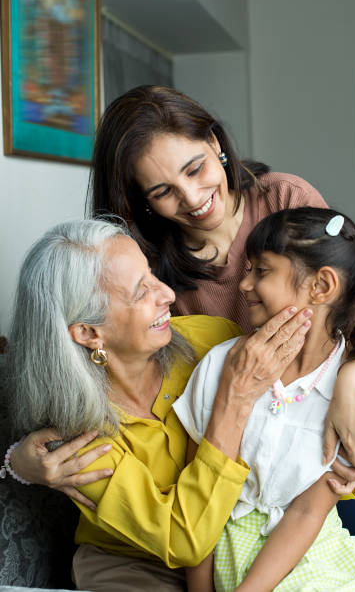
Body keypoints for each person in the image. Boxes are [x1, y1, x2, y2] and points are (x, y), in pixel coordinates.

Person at [8, 86, 355, 585]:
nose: (192, 199)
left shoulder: (277, 205)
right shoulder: (155, 279)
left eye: (195, 169)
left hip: (327, 390)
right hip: (237, 470)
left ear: (217, 143)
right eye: (162, 192)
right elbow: (195, 531)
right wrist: (18, 463)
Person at [4, 218, 316, 592]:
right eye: (141, 292)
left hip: (239, 541)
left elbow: (303, 406)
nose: (168, 293)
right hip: (135, 566)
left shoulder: (211, 339)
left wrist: (353, 390)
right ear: (89, 333)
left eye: (152, 274)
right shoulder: (77, 437)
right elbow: (184, 541)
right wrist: (234, 399)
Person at [173, 207, 355, 591]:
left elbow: (306, 513)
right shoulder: (219, 367)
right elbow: (197, 502)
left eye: (261, 271)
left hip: (318, 558)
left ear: (322, 286)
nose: (244, 285)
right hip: (234, 559)